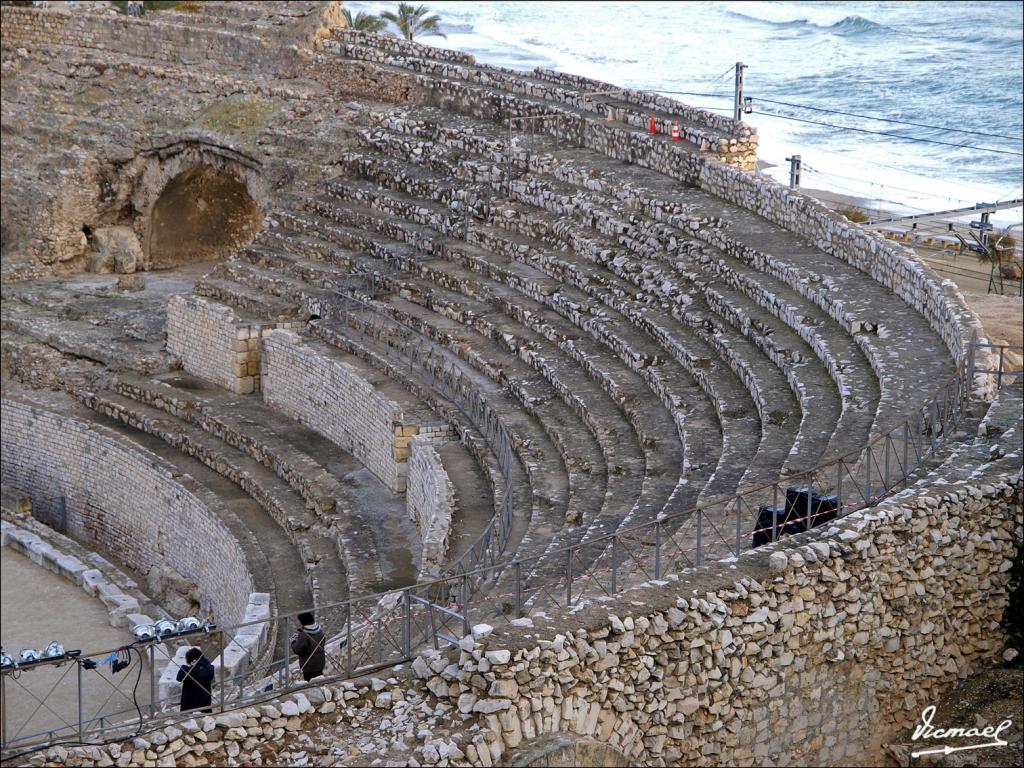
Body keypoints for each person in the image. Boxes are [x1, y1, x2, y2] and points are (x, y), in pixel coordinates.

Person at [290, 611, 325, 682]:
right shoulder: (320, 630)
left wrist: (293, 641)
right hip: (320, 663)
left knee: (310, 683)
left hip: (309, 666)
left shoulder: (304, 635)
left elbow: (297, 650)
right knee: (319, 680)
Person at [176, 647, 215, 712]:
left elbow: (202, 675)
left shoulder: (204, 669)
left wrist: (196, 666)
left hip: (193, 704)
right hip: (204, 703)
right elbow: (179, 678)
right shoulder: (207, 667)